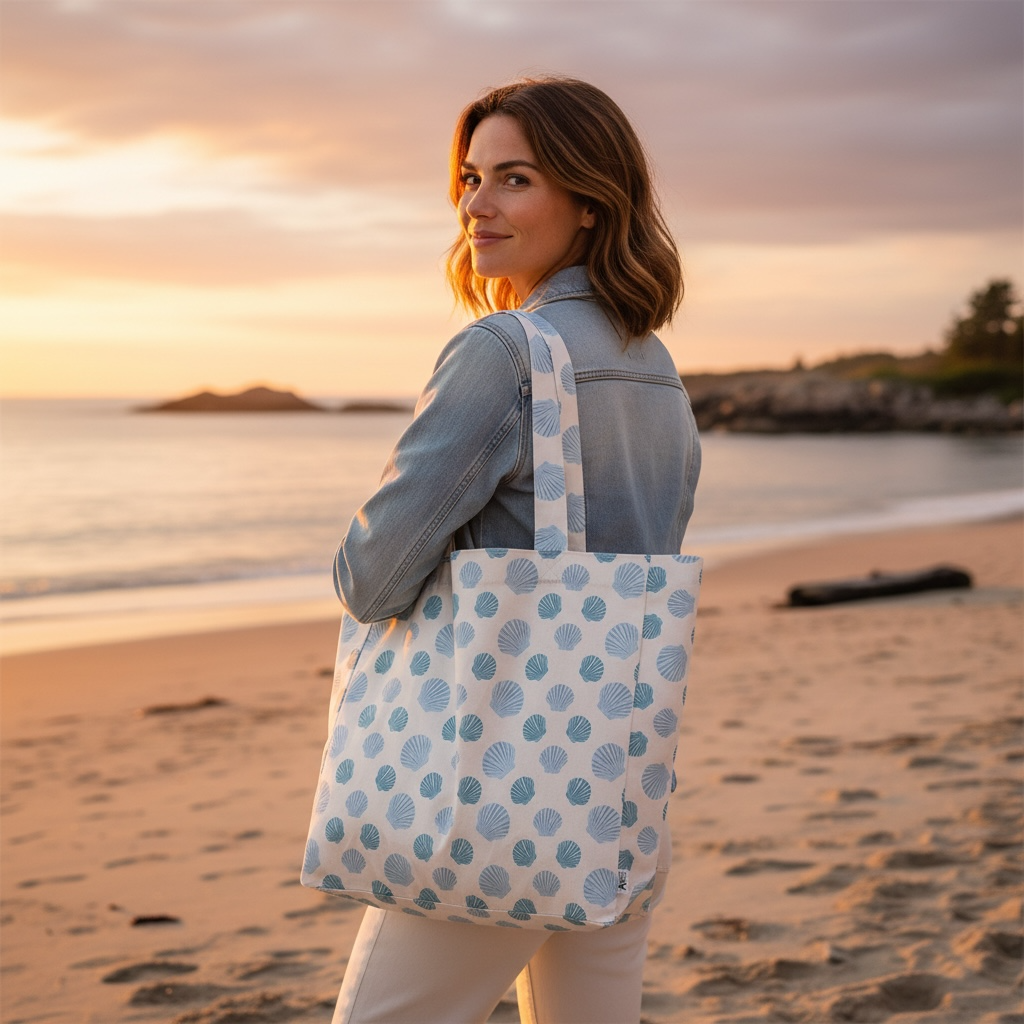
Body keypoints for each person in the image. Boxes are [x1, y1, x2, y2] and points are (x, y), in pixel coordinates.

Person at [330, 76, 701, 1024]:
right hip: (618, 776)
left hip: (501, 781)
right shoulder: (655, 367)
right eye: (469, 176)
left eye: (515, 179)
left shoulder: (505, 351)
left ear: (588, 202)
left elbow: (370, 580)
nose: (475, 205)